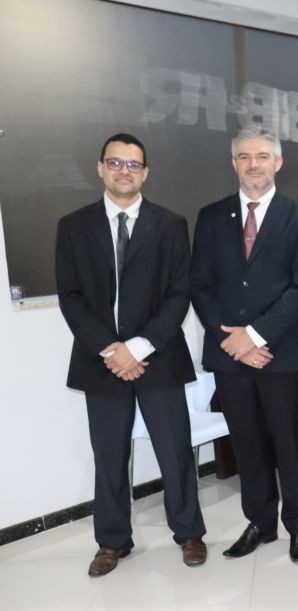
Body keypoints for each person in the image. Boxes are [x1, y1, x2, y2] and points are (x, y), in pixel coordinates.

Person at [56, 132, 207, 576]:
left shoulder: (171, 224)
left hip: (158, 356)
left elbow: (178, 295)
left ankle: (189, 532)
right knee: (109, 455)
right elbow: (71, 296)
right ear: (100, 168)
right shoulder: (73, 226)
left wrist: (138, 347)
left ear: (145, 173)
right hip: (100, 360)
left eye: (133, 164)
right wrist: (111, 349)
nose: (124, 171)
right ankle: (112, 541)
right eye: (115, 162)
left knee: (175, 451)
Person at [190, 127, 298, 563]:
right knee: (246, 445)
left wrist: (255, 335)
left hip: (281, 353)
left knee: (290, 444)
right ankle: (260, 523)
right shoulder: (211, 216)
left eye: (263, 156)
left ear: (278, 162)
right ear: (234, 164)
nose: (254, 164)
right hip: (230, 356)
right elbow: (199, 285)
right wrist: (234, 341)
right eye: (244, 157)